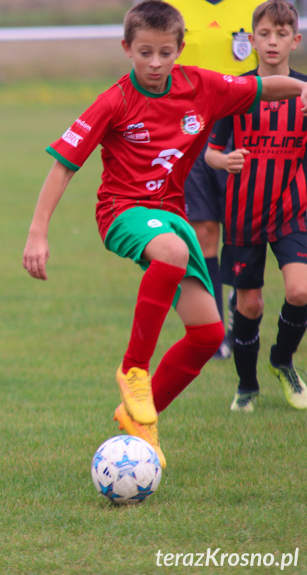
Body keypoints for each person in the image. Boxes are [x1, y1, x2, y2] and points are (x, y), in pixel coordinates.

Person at [22, 0, 307, 468]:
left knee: (206, 332)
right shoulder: (115, 100)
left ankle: (140, 418)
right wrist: (38, 233)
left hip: (170, 215)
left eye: (165, 53)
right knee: (173, 250)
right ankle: (133, 369)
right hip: (122, 212)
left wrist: (300, 88)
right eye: (145, 53)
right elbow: (63, 167)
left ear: (179, 49)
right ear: (127, 49)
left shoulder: (203, 85)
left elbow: (262, 87)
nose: (155, 63)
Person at [205, 0, 307, 412]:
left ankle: (282, 361)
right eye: (264, 34)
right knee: (250, 304)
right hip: (244, 214)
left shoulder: (305, 91)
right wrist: (223, 160)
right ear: (250, 39)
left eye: (281, 34)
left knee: (300, 291)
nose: (272, 42)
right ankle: (247, 385)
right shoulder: (236, 90)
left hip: (293, 210)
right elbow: (210, 151)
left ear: (295, 41)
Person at [168, 0, 264, 360]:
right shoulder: (172, 6)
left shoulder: (254, 5)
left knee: (241, 226)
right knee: (203, 229)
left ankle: (239, 296)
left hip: (242, 135)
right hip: (189, 133)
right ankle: (214, 330)